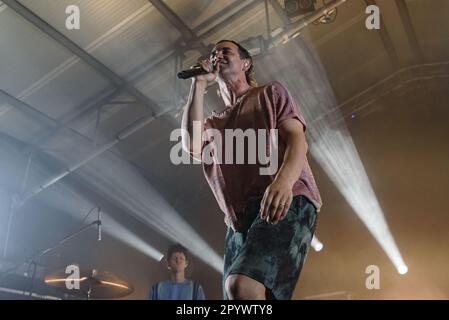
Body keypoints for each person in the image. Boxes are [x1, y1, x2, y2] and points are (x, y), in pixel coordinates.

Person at [180, 40, 322, 300]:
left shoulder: (270, 93)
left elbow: (297, 139)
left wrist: (283, 182)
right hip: (239, 221)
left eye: (226, 51)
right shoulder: (213, 123)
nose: (218, 55)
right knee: (242, 297)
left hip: (286, 198)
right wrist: (198, 84)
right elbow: (191, 144)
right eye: (213, 54)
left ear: (246, 63)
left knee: (241, 287)